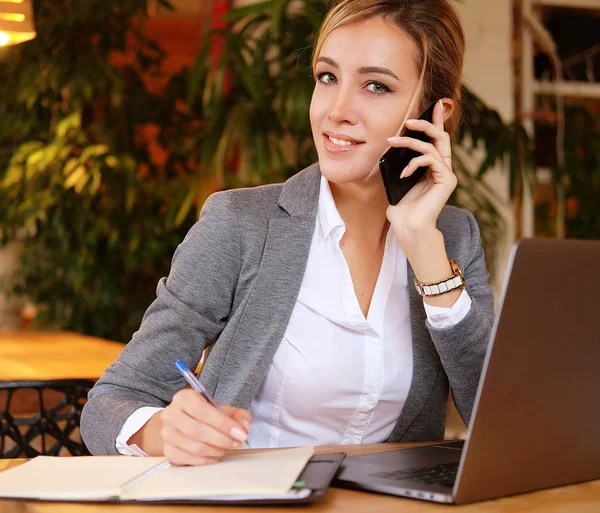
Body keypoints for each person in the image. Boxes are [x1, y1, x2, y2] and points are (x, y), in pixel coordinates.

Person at [81, 0, 495, 466]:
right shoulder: (241, 223)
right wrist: (162, 431)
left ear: (434, 114)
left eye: (375, 86)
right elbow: (110, 402)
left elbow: (497, 419)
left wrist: (425, 250)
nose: (337, 110)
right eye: (327, 77)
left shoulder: (454, 237)